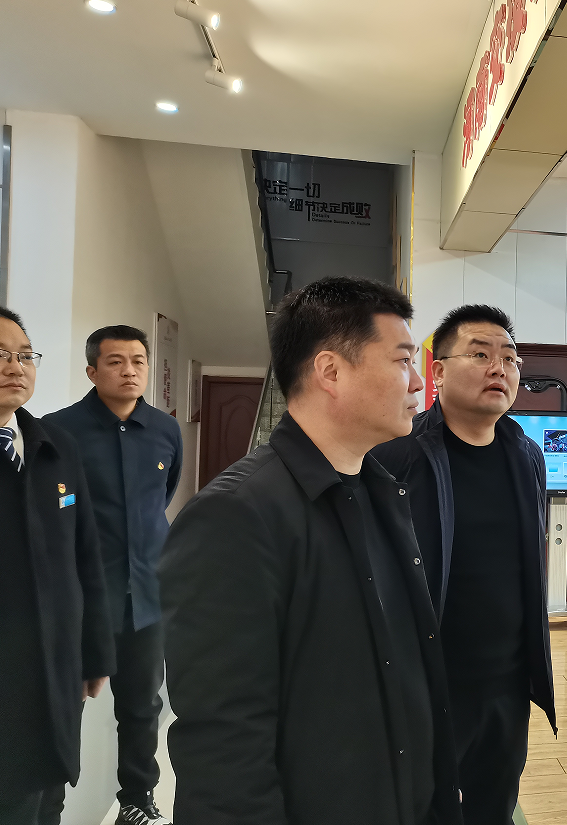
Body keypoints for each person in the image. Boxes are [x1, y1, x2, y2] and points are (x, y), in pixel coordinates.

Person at [160, 277, 462, 825]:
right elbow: (224, 743)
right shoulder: (235, 516)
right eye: (402, 361)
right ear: (330, 371)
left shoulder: (381, 492)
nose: (420, 382)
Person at [373, 305, 555, 825]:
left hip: (507, 685)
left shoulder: (526, 454)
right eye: (480, 354)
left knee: (494, 807)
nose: (499, 368)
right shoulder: (397, 455)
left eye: (510, 358)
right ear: (439, 372)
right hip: (430, 686)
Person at [44, 326, 182, 825]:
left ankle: (137, 801)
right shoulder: (57, 431)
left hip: (145, 592)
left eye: (138, 361)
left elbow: (163, 495)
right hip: (80, 597)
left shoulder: (165, 430)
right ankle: (47, 808)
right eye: (116, 361)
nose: (129, 371)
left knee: (142, 705)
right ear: (92, 370)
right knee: (63, 707)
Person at [0, 307, 115, 825]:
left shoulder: (55, 445)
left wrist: (96, 651)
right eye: (0, 355)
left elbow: (86, 554)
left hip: (57, 662)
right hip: (8, 670)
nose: (16, 367)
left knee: (49, 796)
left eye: (25, 356)